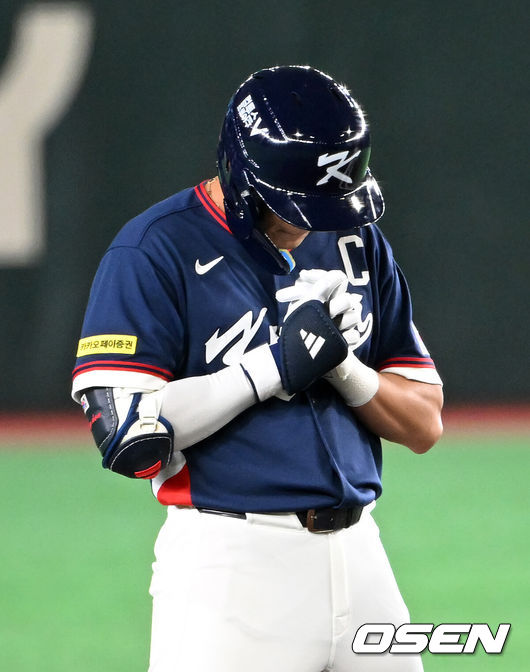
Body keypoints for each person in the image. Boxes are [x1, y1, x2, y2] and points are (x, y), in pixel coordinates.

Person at [72, 65, 443, 672]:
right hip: (230, 568)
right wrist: (270, 367)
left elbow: (424, 424)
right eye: (298, 205)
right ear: (242, 178)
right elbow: (126, 435)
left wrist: (343, 368)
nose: (312, 222)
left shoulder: (353, 238)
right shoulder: (152, 249)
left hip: (362, 555)